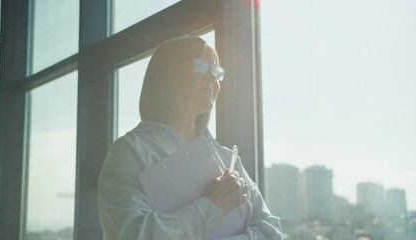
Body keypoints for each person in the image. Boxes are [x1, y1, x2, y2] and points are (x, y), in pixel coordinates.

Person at [98, 36, 283, 239]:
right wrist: (211, 206)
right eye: (203, 66)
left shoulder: (227, 158)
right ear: (167, 73)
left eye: (217, 71)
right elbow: (134, 235)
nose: (213, 79)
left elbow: (271, 232)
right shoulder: (129, 151)